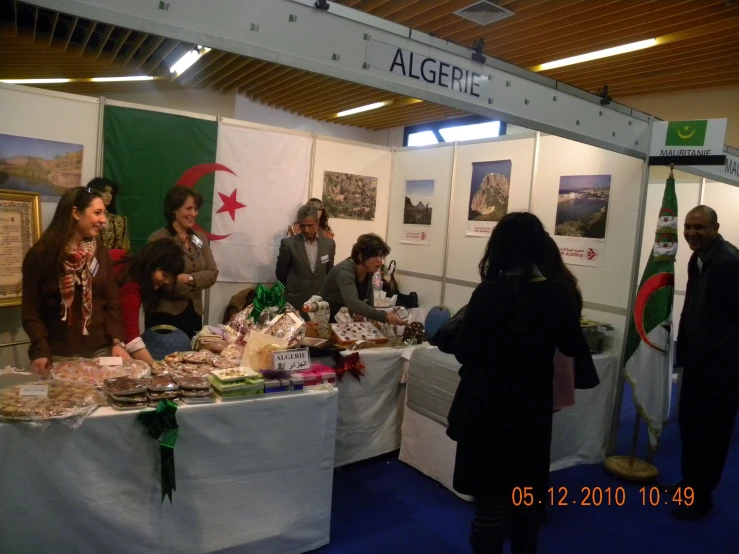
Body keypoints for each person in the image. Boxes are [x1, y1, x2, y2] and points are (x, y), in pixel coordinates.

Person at [446, 212, 582, 554]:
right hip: (531, 412)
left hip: (486, 410)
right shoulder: (559, 294)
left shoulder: (490, 293)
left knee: (489, 507)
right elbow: (571, 346)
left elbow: (464, 351)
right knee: (526, 506)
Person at [668, 205, 739, 520]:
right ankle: (689, 484)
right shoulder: (698, 259)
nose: (692, 233)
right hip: (697, 362)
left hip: (722, 369)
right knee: (691, 426)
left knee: (712, 434)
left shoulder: (730, 262)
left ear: (716, 228)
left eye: (699, 227)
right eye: (688, 226)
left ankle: (701, 498)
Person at [21, 186, 129, 373]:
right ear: (75, 213)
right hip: (58, 355)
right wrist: (40, 349)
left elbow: (112, 301)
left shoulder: (101, 253)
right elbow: (31, 311)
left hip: (100, 351)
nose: (103, 220)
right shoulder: (42, 255)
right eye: (97, 213)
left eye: (103, 213)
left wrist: (117, 342)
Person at [147, 186, 219, 339]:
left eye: (196, 209)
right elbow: (161, 281)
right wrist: (197, 281)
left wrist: (187, 279)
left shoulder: (199, 238)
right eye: (189, 208)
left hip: (193, 314)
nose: (193, 214)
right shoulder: (158, 238)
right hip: (165, 315)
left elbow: (212, 273)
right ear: (174, 210)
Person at [110, 240, 185, 365]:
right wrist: (156, 367)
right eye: (164, 275)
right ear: (151, 264)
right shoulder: (131, 286)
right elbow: (131, 339)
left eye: (171, 278)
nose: (166, 282)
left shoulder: (127, 261)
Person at [319, 234, 405, 326]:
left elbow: (369, 301)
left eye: (381, 256)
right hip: (325, 320)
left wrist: (373, 321)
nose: (380, 260)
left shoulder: (368, 271)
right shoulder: (344, 271)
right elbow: (353, 303)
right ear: (360, 256)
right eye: (375, 255)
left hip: (343, 320)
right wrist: (385, 317)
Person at [276, 204, 336, 317]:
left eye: (310, 226)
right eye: (302, 226)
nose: (306, 230)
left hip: (320, 302)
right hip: (296, 301)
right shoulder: (288, 244)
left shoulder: (329, 244)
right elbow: (280, 273)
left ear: (317, 224)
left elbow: (329, 272)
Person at [87, 177, 131, 251]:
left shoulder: (120, 220)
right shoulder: (87, 218)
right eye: (104, 191)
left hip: (115, 260)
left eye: (111, 192)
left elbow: (125, 249)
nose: (108, 195)